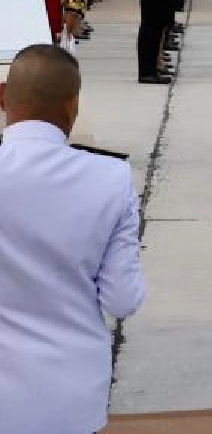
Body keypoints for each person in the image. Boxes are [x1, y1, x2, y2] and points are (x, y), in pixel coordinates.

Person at [0, 44, 145, 434]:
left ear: (2, 97)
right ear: (73, 107)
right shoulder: (110, 179)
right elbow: (123, 299)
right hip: (71, 393)